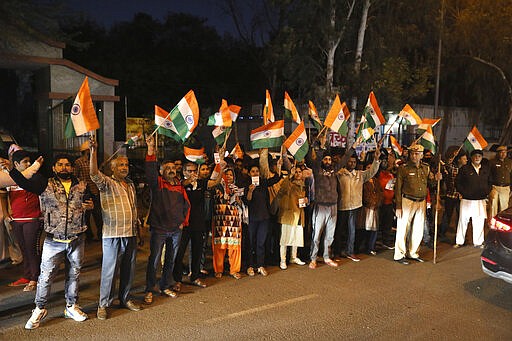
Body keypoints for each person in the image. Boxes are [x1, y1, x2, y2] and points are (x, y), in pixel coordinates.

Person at [16, 154, 93, 329]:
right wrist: (11, 170)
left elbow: (90, 202)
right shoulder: (45, 184)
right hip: (53, 239)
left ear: (72, 168)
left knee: (74, 274)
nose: (64, 167)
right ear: (54, 168)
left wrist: (90, 206)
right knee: (46, 277)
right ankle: (39, 308)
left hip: (77, 238)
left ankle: (71, 306)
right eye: (60, 164)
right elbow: (22, 182)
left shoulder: (82, 185)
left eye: (67, 165)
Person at [90, 137, 142, 320]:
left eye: (126, 164)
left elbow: (134, 209)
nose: (124, 167)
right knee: (109, 271)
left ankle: (125, 298)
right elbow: (94, 174)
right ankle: (103, 304)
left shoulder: (130, 185)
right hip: (112, 234)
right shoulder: (107, 184)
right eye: (120, 165)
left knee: (129, 269)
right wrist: (93, 152)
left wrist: (138, 228)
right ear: (112, 168)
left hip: (131, 233)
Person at [143, 136, 191, 303]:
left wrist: (182, 223)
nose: (171, 170)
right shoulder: (158, 184)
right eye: (167, 168)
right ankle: (149, 289)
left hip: (176, 230)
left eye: (173, 168)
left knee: (170, 259)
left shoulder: (179, 185)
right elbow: (150, 170)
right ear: (162, 171)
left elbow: (186, 205)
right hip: (160, 229)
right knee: (154, 260)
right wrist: (150, 150)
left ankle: (165, 286)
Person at [173, 160, 218, 290]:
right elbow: (183, 184)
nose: (193, 173)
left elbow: (215, 181)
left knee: (198, 250)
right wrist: (189, 181)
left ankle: (195, 276)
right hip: (184, 223)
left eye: (194, 170)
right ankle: (177, 279)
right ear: (184, 172)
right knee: (180, 252)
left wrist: (220, 164)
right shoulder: (180, 184)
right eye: (190, 171)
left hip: (198, 222)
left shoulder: (201, 183)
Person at [3, 150, 43, 291]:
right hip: (17, 219)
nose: (28, 164)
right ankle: (27, 275)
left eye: (29, 161)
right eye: (24, 162)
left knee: (32, 250)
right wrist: (7, 214)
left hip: (32, 219)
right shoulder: (10, 179)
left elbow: (26, 181)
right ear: (16, 164)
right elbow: (4, 195)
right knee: (24, 250)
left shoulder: (34, 177)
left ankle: (35, 278)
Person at [394, 144, 438, 265]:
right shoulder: (403, 168)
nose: (414, 156)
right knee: (403, 228)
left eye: (417, 154)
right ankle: (399, 254)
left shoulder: (426, 168)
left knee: (418, 229)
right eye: (412, 153)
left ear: (422, 155)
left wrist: (436, 179)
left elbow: (431, 184)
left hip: (421, 201)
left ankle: (413, 253)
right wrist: (398, 206)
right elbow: (397, 188)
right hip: (407, 200)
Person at [337, 148, 380, 261]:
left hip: (355, 206)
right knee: (339, 230)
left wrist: (376, 159)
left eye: (354, 162)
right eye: (350, 161)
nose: (352, 164)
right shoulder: (339, 173)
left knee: (352, 231)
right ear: (346, 162)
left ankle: (350, 251)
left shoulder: (360, 175)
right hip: (342, 205)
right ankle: (337, 252)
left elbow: (372, 172)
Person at [308, 133, 340, 269]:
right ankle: (313, 258)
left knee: (330, 236)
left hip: (333, 207)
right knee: (317, 235)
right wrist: (320, 148)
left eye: (329, 159)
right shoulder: (317, 171)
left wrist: (353, 147)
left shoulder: (334, 171)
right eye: (325, 159)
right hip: (320, 207)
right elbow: (314, 160)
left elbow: (344, 160)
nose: (327, 161)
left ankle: (327, 257)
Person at [454, 149, 491, 248]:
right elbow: (458, 183)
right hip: (467, 200)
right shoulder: (465, 169)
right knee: (463, 221)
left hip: (480, 200)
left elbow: (490, 182)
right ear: (471, 158)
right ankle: (459, 241)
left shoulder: (485, 169)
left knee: (479, 221)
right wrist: (464, 193)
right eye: (475, 156)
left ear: (481, 158)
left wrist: (486, 192)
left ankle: (478, 242)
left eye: (479, 156)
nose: (477, 158)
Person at [275, 159, 307, 269]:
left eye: (299, 172)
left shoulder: (303, 185)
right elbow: (282, 189)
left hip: (299, 214)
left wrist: (305, 201)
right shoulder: (288, 183)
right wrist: (290, 176)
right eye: (296, 172)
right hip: (288, 214)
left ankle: (293, 257)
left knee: (296, 237)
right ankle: (282, 260)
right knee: (285, 238)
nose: (298, 174)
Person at [212, 167, 243, 279]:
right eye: (226, 174)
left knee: (234, 247)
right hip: (220, 220)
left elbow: (242, 206)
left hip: (234, 221)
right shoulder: (216, 188)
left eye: (231, 174)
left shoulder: (237, 189)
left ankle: (234, 270)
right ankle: (218, 269)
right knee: (219, 246)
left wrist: (239, 201)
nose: (228, 176)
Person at [74, 140, 103, 240]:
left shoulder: (94, 161)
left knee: (98, 215)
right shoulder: (78, 162)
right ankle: (89, 236)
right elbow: (75, 176)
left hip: (95, 190)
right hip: (85, 192)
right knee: (85, 216)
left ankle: (100, 235)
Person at [489, 145, 511, 217]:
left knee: (504, 207)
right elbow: (488, 175)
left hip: (505, 187)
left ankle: (501, 222)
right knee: (493, 206)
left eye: (505, 152)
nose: (503, 154)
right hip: (494, 187)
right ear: (497, 153)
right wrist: (490, 187)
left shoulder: (510, 162)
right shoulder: (492, 162)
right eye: (501, 152)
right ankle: (491, 221)